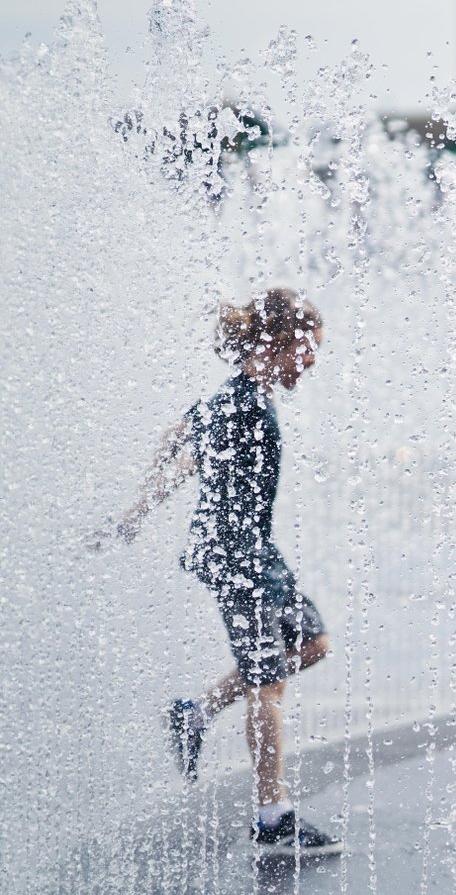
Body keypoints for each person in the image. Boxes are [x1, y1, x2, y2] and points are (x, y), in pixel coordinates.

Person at [108, 289, 341, 857]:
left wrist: (146, 502)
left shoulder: (253, 396)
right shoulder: (238, 401)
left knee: (312, 643)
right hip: (234, 555)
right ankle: (272, 816)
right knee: (267, 681)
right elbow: (179, 442)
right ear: (279, 342)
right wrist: (133, 513)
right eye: (308, 350)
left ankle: (196, 711)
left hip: (256, 552)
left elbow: (188, 445)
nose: (311, 362)